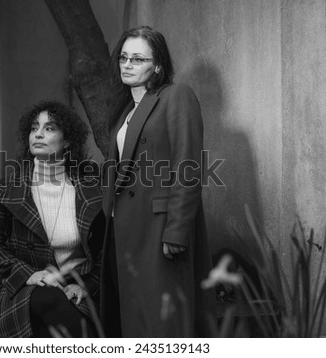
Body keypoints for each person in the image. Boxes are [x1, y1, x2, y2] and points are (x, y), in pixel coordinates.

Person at [100, 26, 214, 337]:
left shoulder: (176, 96)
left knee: (162, 323)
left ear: (158, 65)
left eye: (138, 59)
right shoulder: (126, 110)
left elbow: (187, 166)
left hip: (158, 229)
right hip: (122, 229)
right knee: (133, 320)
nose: (127, 64)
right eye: (124, 57)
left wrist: (177, 230)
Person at [0, 101, 104, 338]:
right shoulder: (10, 186)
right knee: (49, 300)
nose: (38, 134)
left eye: (49, 128)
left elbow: (104, 250)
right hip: (27, 290)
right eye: (35, 127)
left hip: (73, 289)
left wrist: (85, 286)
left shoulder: (90, 187)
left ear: (67, 140)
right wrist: (29, 274)